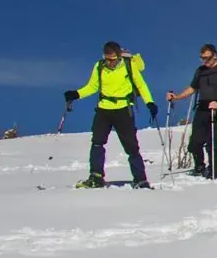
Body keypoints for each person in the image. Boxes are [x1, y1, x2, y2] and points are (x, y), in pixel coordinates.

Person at [64, 41, 157, 188]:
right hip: (103, 109)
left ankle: (140, 179)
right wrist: (76, 94)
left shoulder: (129, 65)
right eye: (107, 59)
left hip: (123, 110)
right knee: (97, 142)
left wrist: (150, 103)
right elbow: (92, 86)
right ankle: (96, 177)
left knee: (131, 147)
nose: (109, 62)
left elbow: (141, 85)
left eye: (112, 59)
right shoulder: (99, 66)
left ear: (119, 56)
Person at [166, 44, 217, 178]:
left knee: (213, 141)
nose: (205, 61)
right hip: (202, 108)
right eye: (202, 58)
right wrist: (177, 97)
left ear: (214, 56)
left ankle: (213, 170)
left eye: (208, 58)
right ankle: (199, 165)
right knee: (194, 144)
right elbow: (193, 88)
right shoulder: (200, 70)